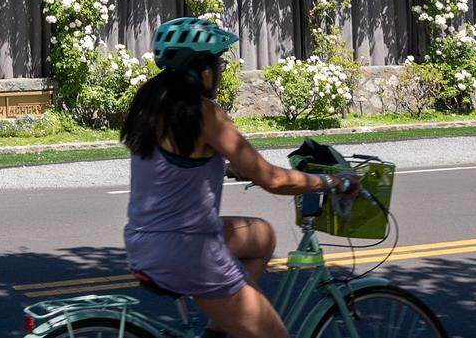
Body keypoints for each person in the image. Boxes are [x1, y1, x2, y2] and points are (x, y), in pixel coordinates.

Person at [121, 17, 359, 338]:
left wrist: (225, 166)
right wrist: (333, 183)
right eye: (216, 64)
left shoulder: (150, 104)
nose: (218, 72)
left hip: (143, 240)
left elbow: (175, 163)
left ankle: (222, 327)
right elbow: (272, 179)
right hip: (188, 250)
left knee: (262, 237)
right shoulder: (203, 113)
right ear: (200, 69)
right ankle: (236, 308)